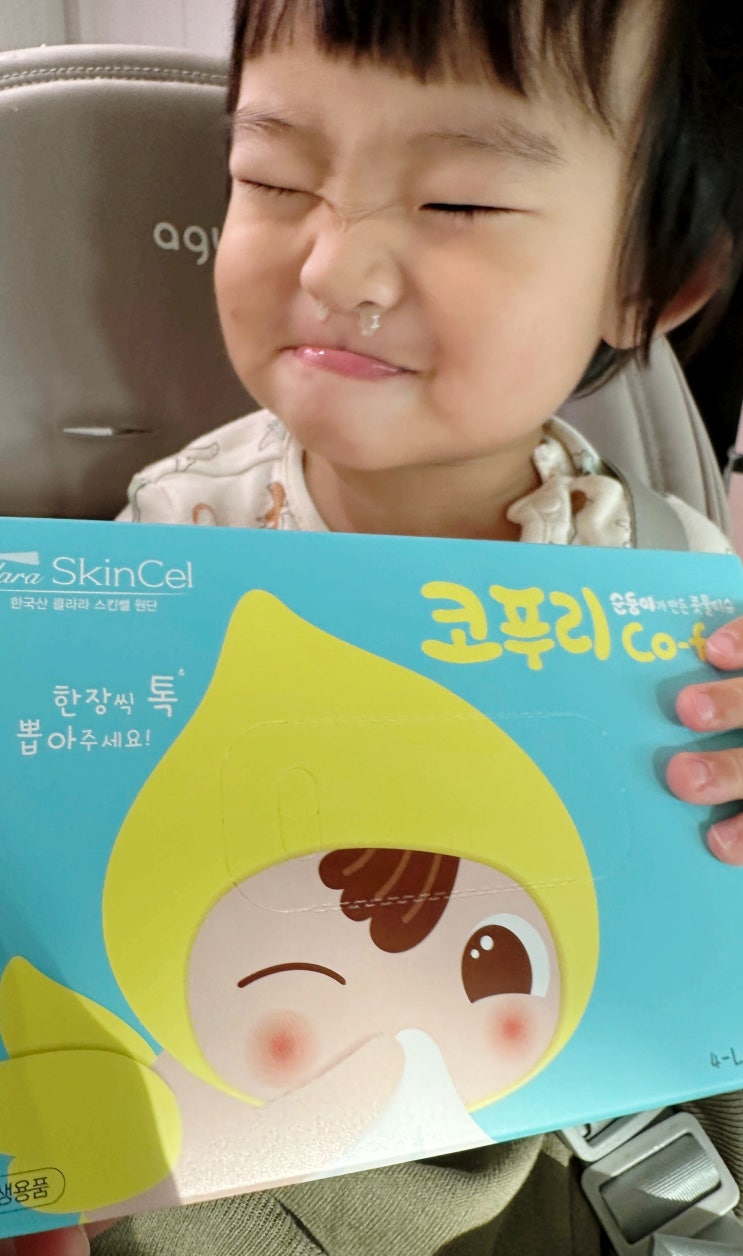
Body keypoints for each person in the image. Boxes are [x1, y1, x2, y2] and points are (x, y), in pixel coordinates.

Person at [5, 0, 743, 1252]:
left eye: (457, 202)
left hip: (588, 1134)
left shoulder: (675, 586)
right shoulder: (160, 550)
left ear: (646, 283)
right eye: (272, 178)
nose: (332, 268)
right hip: (253, 1127)